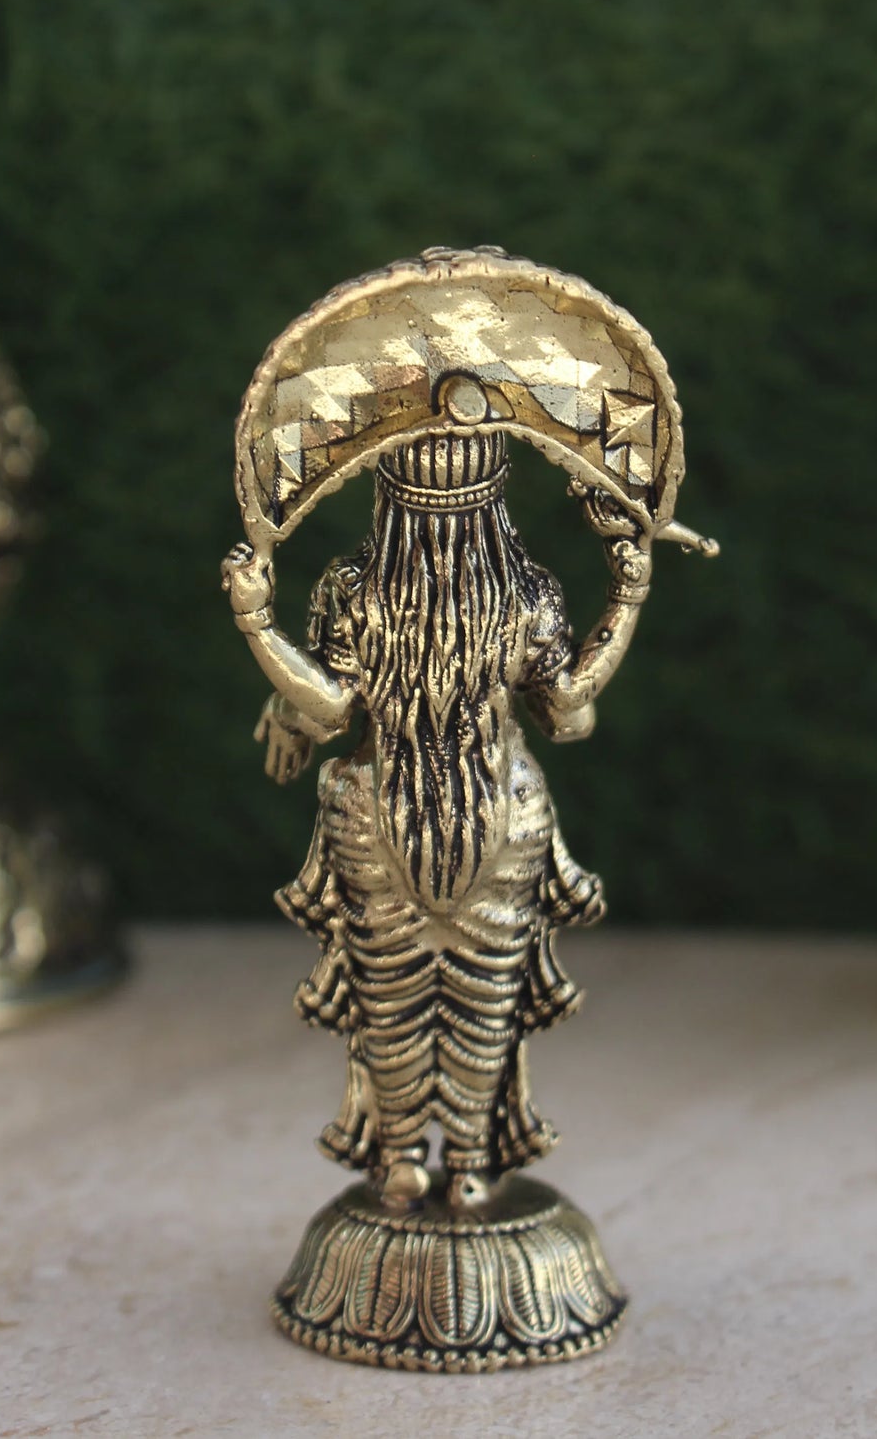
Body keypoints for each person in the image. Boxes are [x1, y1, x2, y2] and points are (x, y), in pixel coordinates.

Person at [221, 424, 656, 1212]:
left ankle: (403, 1160)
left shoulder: (356, 588)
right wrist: (626, 598)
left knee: (390, 996)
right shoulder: (526, 591)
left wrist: (257, 624)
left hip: (379, 808)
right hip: (499, 810)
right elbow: (568, 712)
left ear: (383, 493)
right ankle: (465, 1164)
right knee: (482, 998)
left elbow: (326, 711)